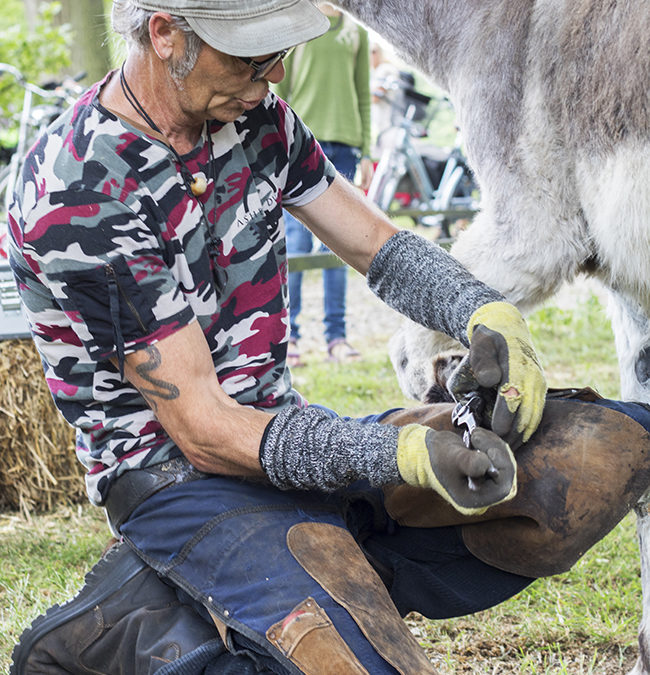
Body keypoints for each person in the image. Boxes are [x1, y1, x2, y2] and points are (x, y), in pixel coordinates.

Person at [7, 0, 552, 672]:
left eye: (278, 52)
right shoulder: (79, 192)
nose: (277, 75)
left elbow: (377, 244)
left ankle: (329, 554)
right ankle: (136, 628)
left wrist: (482, 311)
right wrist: (402, 453)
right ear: (165, 33)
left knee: (595, 452)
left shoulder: (252, 114)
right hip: (179, 483)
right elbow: (206, 429)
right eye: (252, 55)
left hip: (288, 444)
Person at [273, 2, 373, 365]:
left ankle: (336, 337)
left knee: (340, 248)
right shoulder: (297, 22)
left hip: (345, 146)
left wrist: (366, 150)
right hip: (301, 142)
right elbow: (278, 88)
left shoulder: (355, 30)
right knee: (296, 244)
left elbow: (363, 93)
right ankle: (291, 338)